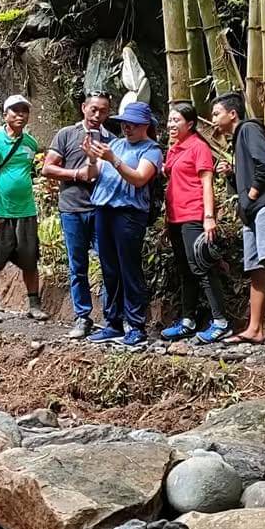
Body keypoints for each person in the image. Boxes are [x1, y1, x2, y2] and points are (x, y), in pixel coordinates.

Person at [210, 92, 265, 345]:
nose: (213, 120)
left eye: (216, 114)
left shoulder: (249, 129)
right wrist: (232, 175)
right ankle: (255, 328)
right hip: (252, 210)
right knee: (256, 269)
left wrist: (251, 194)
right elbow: (251, 172)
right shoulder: (238, 140)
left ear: (232, 114)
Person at [83, 101, 164, 350]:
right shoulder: (116, 143)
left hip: (128, 214)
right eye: (124, 123)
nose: (127, 128)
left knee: (129, 269)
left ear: (145, 126)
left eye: (133, 124)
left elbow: (139, 179)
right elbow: (94, 174)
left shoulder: (151, 150)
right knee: (109, 268)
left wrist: (113, 159)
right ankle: (113, 322)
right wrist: (91, 158)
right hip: (103, 209)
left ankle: (136, 325)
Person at [41, 92, 115, 339]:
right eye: (93, 109)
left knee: (108, 264)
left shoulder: (111, 140)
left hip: (101, 209)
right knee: (77, 265)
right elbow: (47, 168)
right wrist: (76, 174)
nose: (97, 115)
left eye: (103, 111)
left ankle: (111, 317)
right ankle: (82, 317)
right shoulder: (66, 134)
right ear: (84, 108)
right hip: (72, 208)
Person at [0, 95, 49, 325]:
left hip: (26, 211)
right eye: (15, 111)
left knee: (30, 259)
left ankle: (34, 305)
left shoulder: (29, 143)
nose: (20, 115)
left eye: (24, 111)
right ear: (5, 115)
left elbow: (33, 170)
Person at [161, 101, 230, 344]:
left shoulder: (198, 147)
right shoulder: (174, 149)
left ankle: (221, 322)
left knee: (201, 266)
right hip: (175, 218)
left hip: (193, 215)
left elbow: (206, 183)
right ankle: (187, 320)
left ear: (190, 124)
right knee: (185, 270)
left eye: (176, 120)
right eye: (170, 120)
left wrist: (209, 217)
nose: (171, 124)